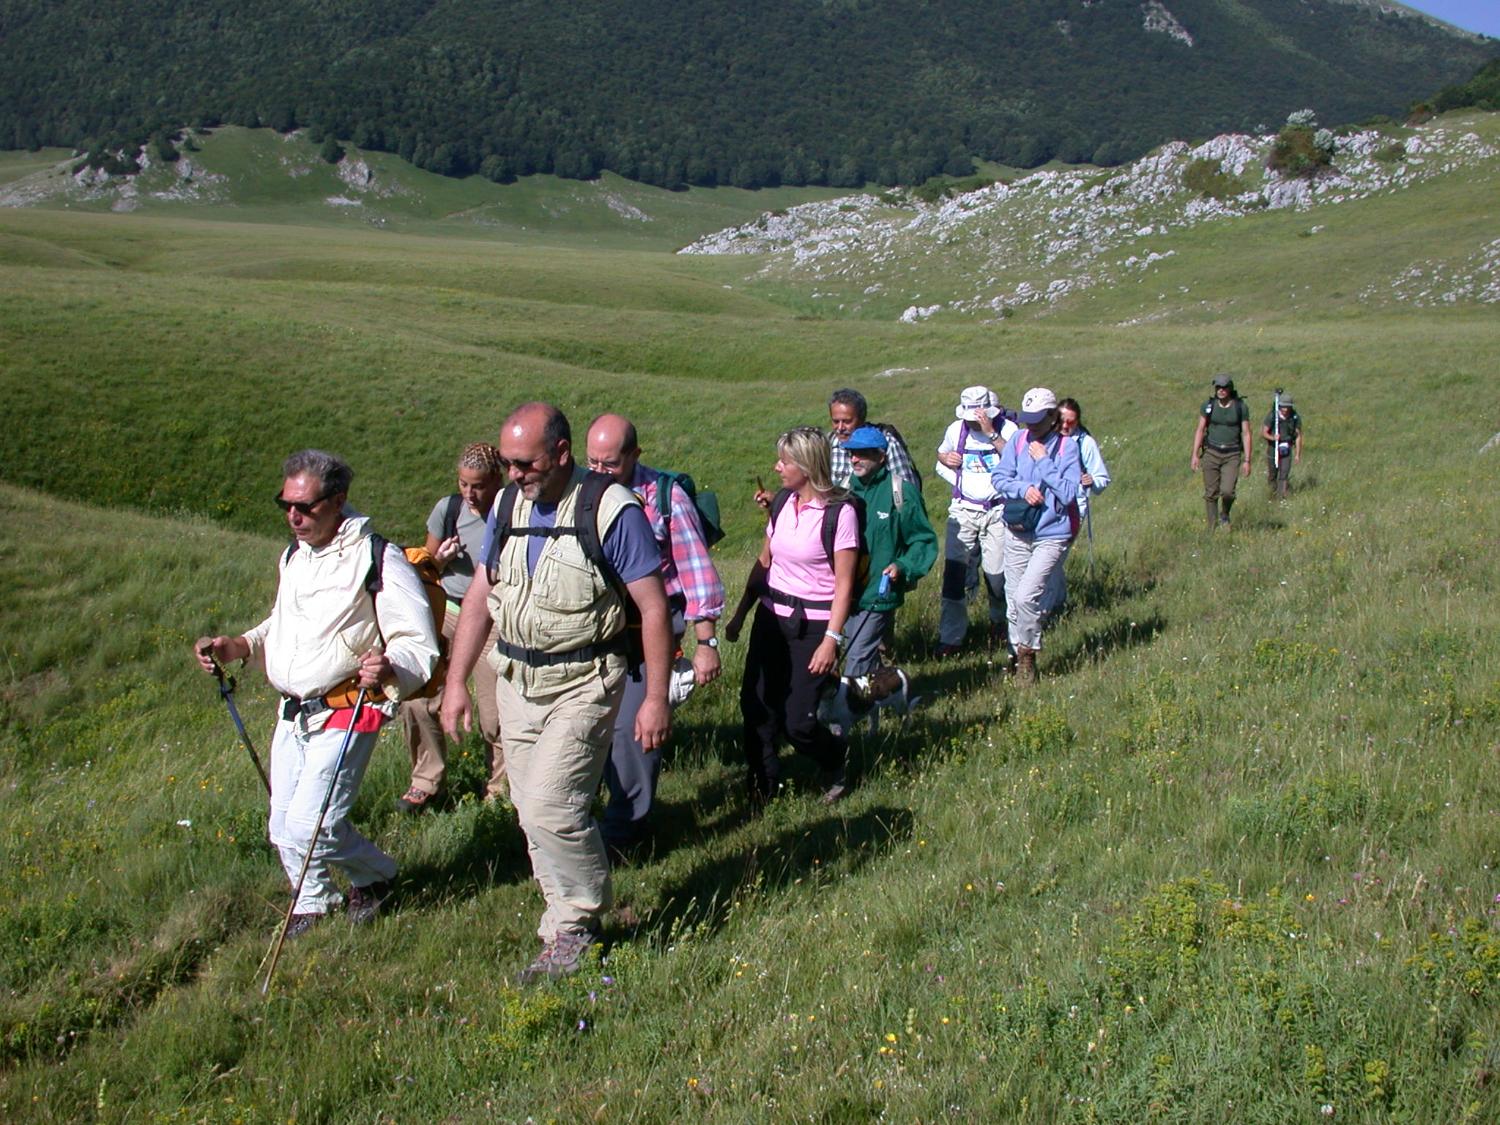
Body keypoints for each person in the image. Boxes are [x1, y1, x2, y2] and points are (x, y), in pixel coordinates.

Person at [440, 404, 673, 984]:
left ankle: (578, 924)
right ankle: (561, 919)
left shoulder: (613, 512)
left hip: (584, 683)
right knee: (529, 811)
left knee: (552, 806)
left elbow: (652, 609)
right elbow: (479, 598)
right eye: (508, 463)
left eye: (525, 463)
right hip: (518, 681)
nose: (513, 474)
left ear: (562, 453)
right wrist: (456, 683)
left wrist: (656, 698)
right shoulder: (506, 506)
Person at [194, 450, 439, 938]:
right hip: (293, 712)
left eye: (304, 506)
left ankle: (378, 876)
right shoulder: (295, 556)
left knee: (313, 825)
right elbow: (284, 623)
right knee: (282, 824)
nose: (293, 516)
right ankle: (313, 901)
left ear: (338, 499)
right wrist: (239, 645)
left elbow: (419, 642)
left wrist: (390, 665)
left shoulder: (377, 557)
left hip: (351, 707)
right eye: (285, 505)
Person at [584, 413, 725, 856]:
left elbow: (696, 571)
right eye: (593, 463)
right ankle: (604, 815)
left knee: (633, 732)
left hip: (649, 633)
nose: (600, 473)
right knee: (595, 730)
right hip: (594, 633)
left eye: (610, 464)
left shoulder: (665, 498)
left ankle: (627, 835)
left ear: (635, 455)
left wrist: (706, 644)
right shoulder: (582, 495)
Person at [726, 426, 858, 805]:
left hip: (813, 626)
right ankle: (762, 786)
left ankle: (833, 758)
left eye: (784, 460)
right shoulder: (782, 502)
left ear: (805, 464)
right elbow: (766, 561)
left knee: (798, 721)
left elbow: (844, 586)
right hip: (770, 618)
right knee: (756, 706)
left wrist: (832, 640)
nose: (777, 466)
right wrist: (740, 615)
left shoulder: (840, 514)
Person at [395, 443, 508, 812]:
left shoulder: (513, 510)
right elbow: (424, 571)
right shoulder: (449, 510)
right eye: (463, 484)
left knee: (495, 712)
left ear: (498, 480)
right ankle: (425, 780)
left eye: (477, 486)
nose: (469, 493)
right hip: (447, 610)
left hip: (492, 618)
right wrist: (439, 560)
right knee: (418, 693)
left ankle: (499, 789)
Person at [992, 388, 1082, 687]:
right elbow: (1000, 477)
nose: (1030, 426)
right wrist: (1021, 489)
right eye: (1027, 419)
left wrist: (1044, 461)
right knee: (1012, 600)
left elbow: (1069, 493)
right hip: (1017, 529)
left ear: (1052, 415)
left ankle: (1028, 654)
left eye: (1037, 420)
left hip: (1052, 533)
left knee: (1025, 596)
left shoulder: (1067, 447)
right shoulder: (1017, 440)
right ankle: (1018, 656)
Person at [841, 426, 938, 676]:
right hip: (843, 592)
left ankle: (850, 712)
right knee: (863, 655)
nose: (854, 459)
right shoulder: (841, 492)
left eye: (862, 454)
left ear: (881, 456)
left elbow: (923, 540)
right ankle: (884, 698)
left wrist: (903, 566)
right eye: (851, 453)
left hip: (878, 592)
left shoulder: (901, 493)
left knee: (857, 655)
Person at [933, 385, 1017, 658]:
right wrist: (945, 457)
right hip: (963, 510)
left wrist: (992, 434)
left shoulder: (1008, 431)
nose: (973, 422)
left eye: (977, 416)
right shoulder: (955, 430)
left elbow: (1018, 461)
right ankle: (951, 637)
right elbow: (941, 454)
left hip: (998, 512)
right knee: (954, 575)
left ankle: (998, 619)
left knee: (997, 575)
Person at [1041, 398, 1112, 618]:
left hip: (1074, 509)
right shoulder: (1048, 439)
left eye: (1070, 423)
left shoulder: (1085, 443)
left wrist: (1092, 480)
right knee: (1052, 559)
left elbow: (1102, 479)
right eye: (1062, 420)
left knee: (1052, 558)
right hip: (1046, 508)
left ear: (1078, 422)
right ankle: (1059, 603)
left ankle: (1048, 610)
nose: (1065, 426)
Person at [1190, 373, 1252, 531]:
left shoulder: (1240, 407)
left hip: (1232, 454)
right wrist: (1195, 454)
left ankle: (1225, 514)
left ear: (1230, 388)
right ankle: (1212, 526)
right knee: (1211, 492)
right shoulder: (1208, 406)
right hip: (1211, 452)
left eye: (1224, 387)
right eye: (1218, 387)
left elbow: (1246, 433)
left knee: (1228, 491)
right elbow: (1200, 429)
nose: (1221, 390)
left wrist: (1247, 460)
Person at [826, 388, 919, 490]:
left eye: (847, 422)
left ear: (862, 419)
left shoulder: (885, 442)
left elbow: (908, 489)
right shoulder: (828, 445)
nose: (840, 428)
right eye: (835, 421)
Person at [1262, 394, 1302, 500]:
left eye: (1287, 407)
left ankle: (1281, 496)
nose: (1285, 409)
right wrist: (1273, 438)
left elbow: (1298, 436)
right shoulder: (1272, 416)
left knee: (1284, 473)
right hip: (1273, 449)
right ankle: (1271, 494)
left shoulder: (1294, 417)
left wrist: (1298, 454)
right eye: (1283, 407)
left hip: (1286, 448)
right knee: (1272, 474)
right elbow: (1264, 432)